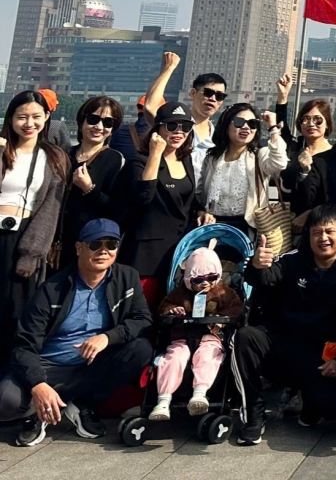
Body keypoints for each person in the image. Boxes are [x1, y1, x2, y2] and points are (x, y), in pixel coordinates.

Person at [0, 219, 153, 446]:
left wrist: (108, 337)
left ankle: (81, 404)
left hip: (92, 364)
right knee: (5, 403)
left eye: (111, 244)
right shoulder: (52, 289)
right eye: (95, 244)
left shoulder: (127, 277)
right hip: (50, 365)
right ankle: (40, 412)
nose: (104, 251)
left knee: (140, 349)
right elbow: (24, 346)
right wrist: (38, 385)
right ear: (79, 248)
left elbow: (143, 319)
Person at [233, 205, 336, 443]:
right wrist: (257, 265)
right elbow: (263, 278)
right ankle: (254, 416)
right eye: (316, 232)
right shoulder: (292, 260)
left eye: (329, 231)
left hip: (323, 357)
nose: (323, 238)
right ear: (308, 235)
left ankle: (310, 404)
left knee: (330, 408)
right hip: (283, 346)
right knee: (246, 336)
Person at [0, 91, 70, 359]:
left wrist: (32, 254)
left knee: (17, 313)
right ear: (11, 118)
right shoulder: (3, 149)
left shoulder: (54, 158)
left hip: (25, 237)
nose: (29, 123)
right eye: (22, 117)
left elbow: (51, 209)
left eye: (36, 117)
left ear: (47, 117)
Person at [149, 246, 245, 420]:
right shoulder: (179, 293)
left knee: (208, 355)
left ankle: (200, 393)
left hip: (210, 335)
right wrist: (172, 310)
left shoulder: (224, 292)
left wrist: (221, 320)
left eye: (212, 277)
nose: (205, 283)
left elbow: (236, 309)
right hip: (182, 337)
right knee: (174, 358)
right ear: (188, 279)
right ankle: (163, 399)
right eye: (198, 279)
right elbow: (163, 307)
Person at [122, 102, 201, 304]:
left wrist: (201, 211)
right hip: (147, 254)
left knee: (173, 311)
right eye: (172, 126)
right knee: (143, 309)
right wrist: (155, 155)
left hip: (178, 251)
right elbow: (143, 198)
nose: (179, 132)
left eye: (185, 127)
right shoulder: (139, 161)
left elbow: (186, 199)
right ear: (158, 128)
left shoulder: (186, 160)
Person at [196, 101, 288, 237]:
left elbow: (280, 163)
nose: (246, 127)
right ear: (226, 126)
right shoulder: (212, 158)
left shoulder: (259, 155)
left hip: (246, 228)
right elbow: (200, 193)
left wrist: (273, 129)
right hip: (213, 226)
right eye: (239, 122)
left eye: (252, 124)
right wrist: (201, 212)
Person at [58, 96, 129, 263]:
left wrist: (89, 188)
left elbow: (118, 210)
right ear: (81, 121)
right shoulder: (63, 155)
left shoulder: (115, 160)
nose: (99, 127)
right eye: (93, 119)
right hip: (57, 240)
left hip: (90, 244)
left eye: (108, 122)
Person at [129, 53, 226, 160]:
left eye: (219, 96)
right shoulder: (174, 124)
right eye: (208, 93)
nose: (213, 99)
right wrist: (169, 67)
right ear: (193, 93)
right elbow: (150, 107)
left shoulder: (220, 136)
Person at [279, 95, 334, 204]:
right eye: (306, 119)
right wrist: (282, 96)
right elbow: (280, 126)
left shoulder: (333, 155)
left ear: (327, 124)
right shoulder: (294, 147)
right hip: (289, 212)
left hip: (320, 212)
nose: (311, 124)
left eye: (318, 120)